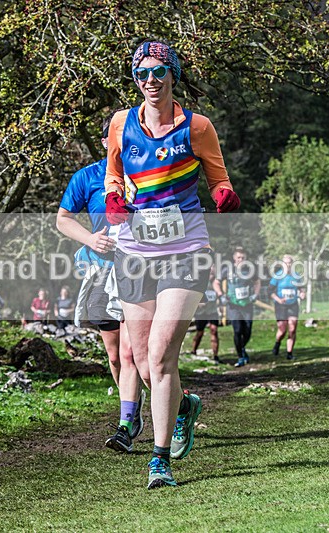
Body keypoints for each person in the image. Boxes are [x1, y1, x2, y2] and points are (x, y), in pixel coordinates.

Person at [104, 41, 241, 488]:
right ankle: (184, 406)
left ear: (172, 75)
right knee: (142, 364)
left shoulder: (197, 127)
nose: (150, 81)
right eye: (141, 73)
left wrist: (222, 194)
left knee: (162, 356)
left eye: (159, 72)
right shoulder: (121, 123)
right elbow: (114, 172)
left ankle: (159, 462)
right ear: (134, 78)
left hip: (186, 250)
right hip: (134, 250)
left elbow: (218, 176)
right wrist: (111, 198)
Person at [56, 113, 143, 451]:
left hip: (137, 270)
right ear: (106, 141)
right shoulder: (88, 177)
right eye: (114, 136)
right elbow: (63, 220)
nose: (119, 141)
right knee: (116, 356)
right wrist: (91, 240)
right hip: (100, 271)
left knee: (132, 351)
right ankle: (143, 409)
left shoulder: (145, 175)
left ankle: (124, 424)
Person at [213, 247, 261, 368]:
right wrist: (221, 295)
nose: (241, 259)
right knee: (237, 330)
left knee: (248, 330)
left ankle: (242, 347)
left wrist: (255, 294)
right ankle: (240, 356)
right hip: (233, 305)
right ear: (234, 258)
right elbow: (216, 282)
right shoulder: (227, 270)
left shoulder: (250, 270)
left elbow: (257, 282)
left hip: (247, 305)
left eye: (243, 258)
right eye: (239, 257)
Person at [269, 255, 304, 360]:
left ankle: (289, 353)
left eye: (290, 263)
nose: (288, 265)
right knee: (282, 330)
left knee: (292, 329)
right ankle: (277, 343)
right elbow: (270, 291)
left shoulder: (296, 276)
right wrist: (278, 299)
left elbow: (301, 288)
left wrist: (302, 294)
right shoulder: (277, 276)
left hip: (293, 304)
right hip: (280, 306)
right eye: (286, 263)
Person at [190, 267, 220, 363]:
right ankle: (193, 351)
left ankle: (215, 356)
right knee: (200, 333)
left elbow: (220, 294)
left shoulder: (217, 282)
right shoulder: (199, 282)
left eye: (213, 269)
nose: (211, 270)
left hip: (212, 311)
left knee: (214, 330)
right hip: (201, 313)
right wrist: (198, 303)